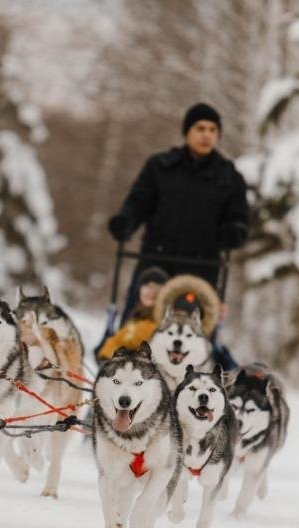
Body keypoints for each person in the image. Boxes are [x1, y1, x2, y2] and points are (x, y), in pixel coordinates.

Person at [106, 102, 249, 370]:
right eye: (200, 128)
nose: (206, 134)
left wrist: (235, 232)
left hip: (202, 272)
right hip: (156, 266)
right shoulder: (160, 167)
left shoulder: (229, 177)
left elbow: (239, 218)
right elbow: (138, 202)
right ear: (187, 132)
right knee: (137, 331)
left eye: (212, 129)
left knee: (193, 340)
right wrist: (125, 222)